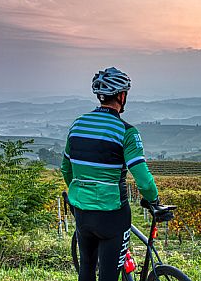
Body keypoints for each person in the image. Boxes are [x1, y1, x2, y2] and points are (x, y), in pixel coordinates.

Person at [61, 67, 159, 281]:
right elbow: (143, 179)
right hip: (112, 214)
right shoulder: (126, 131)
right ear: (122, 96)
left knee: (86, 268)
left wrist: (79, 192)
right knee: (108, 275)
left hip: (82, 212)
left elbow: (66, 169)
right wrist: (154, 199)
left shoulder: (77, 125)